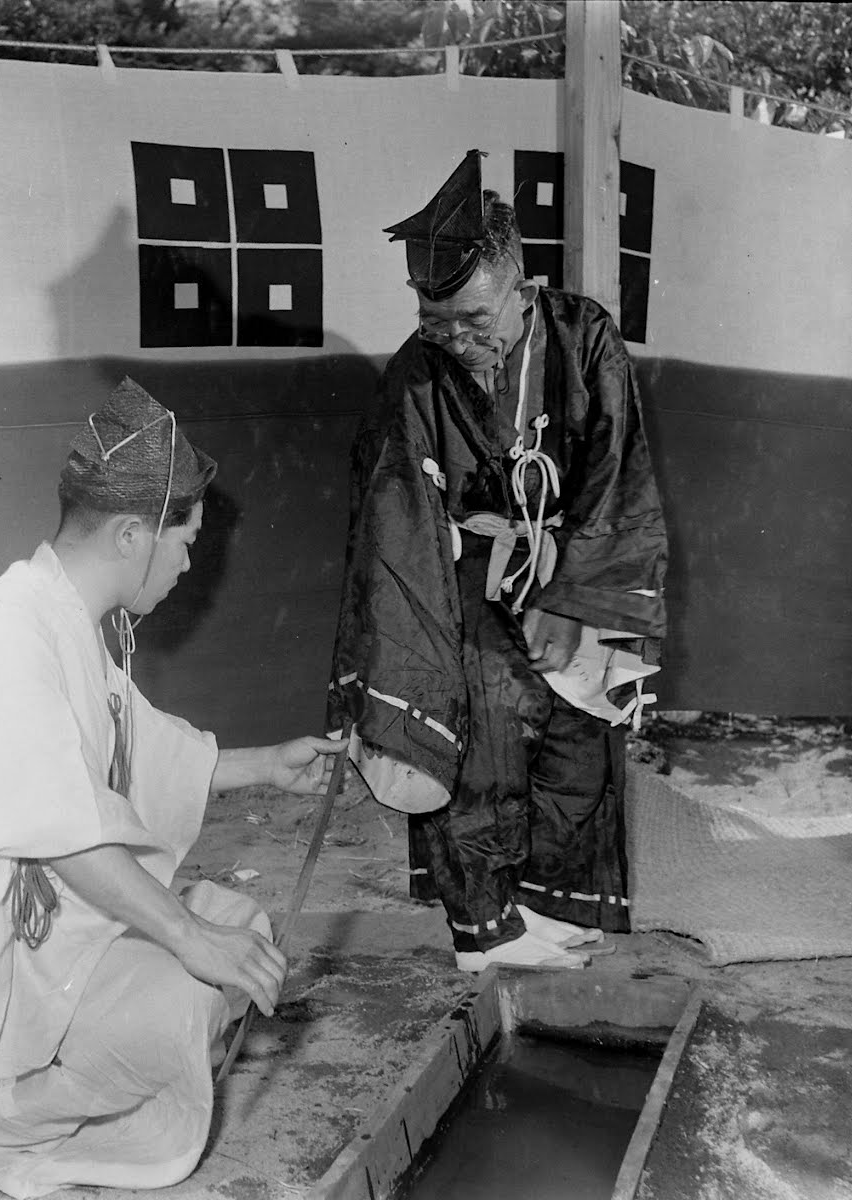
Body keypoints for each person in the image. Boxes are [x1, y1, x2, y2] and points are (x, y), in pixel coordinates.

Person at [0, 377, 345, 1198]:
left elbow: (140, 749)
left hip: (40, 934)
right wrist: (187, 941)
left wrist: (267, 763)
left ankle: (101, 1046)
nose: (189, 560)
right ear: (132, 535)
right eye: (184, 540)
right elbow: (68, 831)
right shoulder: (12, 632)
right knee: (199, 984)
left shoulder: (61, 617)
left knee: (241, 931)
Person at [328, 151, 668, 973]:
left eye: (473, 319)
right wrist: (406, 654)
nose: (455, 337)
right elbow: (393, 509)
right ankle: (481, 929)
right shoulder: (417, 374)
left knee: (577, 739)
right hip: (464, 576)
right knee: (474, 728)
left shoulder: (583, 336)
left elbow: (616, 470)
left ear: (519, 284)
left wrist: (573, 598)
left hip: (568, 562)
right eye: (433, 318)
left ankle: (533, 907)